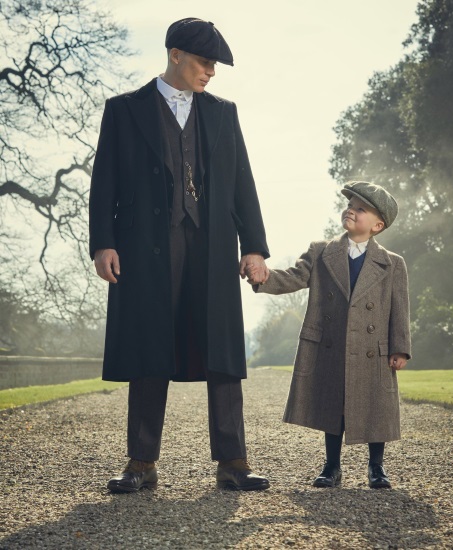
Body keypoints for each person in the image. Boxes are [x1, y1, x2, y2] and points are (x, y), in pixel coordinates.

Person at [89, 18, 270, 493]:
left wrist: (253, 246)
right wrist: (102, 242)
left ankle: (234, 463)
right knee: (150, 348)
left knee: (224, 353)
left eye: (214, 65)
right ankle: (141, 465)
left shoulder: (223, 113)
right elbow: (103, 180)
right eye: (204, 62)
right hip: (144, 249)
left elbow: (242, 185)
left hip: (212, 246)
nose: (210, 71)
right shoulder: (124, 111)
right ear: (175, 55)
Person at [252, 181, 411, 489]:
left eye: (360, 208)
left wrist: (400, 347)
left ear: (378, 225)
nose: (351, 209)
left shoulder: (393, 264)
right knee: (334, 404)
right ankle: (332, 466)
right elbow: (294, 277)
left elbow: (399, 309)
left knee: (376, 406)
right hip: (333, 343)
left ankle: (376, 467)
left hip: (372, 348)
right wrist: (264, 277)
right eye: (350, 204)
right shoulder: (322, 251)